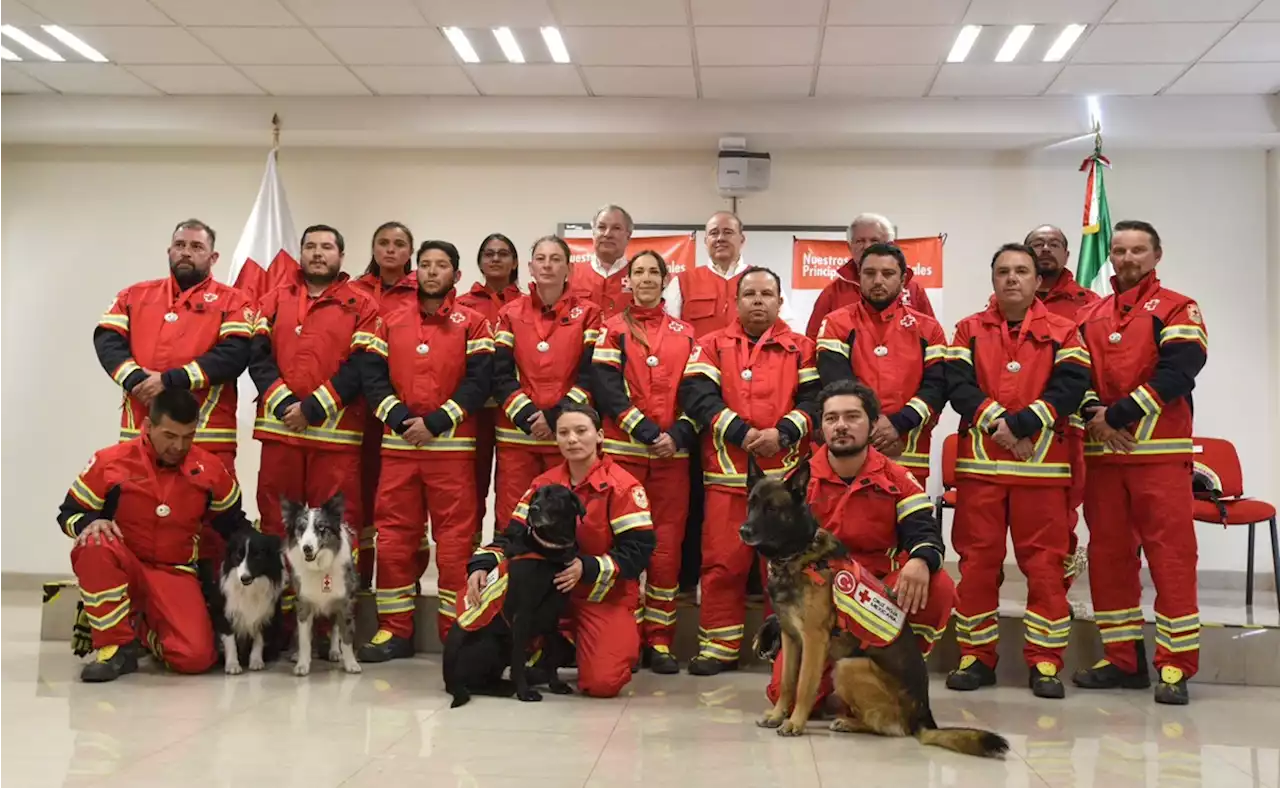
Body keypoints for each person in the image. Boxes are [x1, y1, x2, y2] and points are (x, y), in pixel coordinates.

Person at [942, 243, 1091, 699]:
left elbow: (1071, 386)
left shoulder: (1066, 331)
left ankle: (1045, 663)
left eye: (1021, 271)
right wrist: (999, 425)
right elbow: (957, 386)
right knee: (978, 566)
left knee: (1046, 568)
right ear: (993, 279)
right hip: (982, 471)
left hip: (1042, 473)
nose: (1012, 278)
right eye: (1003, 271)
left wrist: (1023, 424)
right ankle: (975, 657)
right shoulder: (967, 329)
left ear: (1037, 280)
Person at [1071, 220, 1207, 706]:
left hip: (1160, 458)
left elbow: (1180, 370)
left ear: (1157, 255)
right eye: (1120, 250)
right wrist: (1094, 415)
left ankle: (1175, 667)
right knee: (1108, 561)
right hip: (1104, 458)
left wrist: (1119, 415)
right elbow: (1076, 372)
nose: (1128, 258)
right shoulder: (1093, 312)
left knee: (1171, 559)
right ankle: (1123, 660)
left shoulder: (1177, 307)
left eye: (1138, 250)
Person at [764, 380, 955, 705]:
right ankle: (839, 679)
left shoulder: (896, 478)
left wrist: (920, 560)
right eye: (831, 418)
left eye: (852, 417)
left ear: (872, 423)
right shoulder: (799, 482)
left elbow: (924, 531)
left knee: (938, 584)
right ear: (821, 428)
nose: (841, 426)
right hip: (817, 601)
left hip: (874, 596)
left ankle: (899, 673)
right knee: (791, 699)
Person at [357, 240, 495, 660]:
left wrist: (436, 422)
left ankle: (456, 631)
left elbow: (479, 382)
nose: (433, 272)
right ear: (417, 273)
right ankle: (394, 631)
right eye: (426, 265)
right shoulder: (388, 320)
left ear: (456, 274)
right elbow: (372, 378)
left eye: (442, 266)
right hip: (399, 450)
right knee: (395, 540)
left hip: (452, 451)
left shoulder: (474, 323)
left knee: (454, 545)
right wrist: (400, 419)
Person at [678, 266, 820, 675]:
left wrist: (784, 432)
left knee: (788, 569)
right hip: (727, 476)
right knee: (723, 563)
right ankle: (718, 648)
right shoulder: (710, 344)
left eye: (767, 294)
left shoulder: (802, 347)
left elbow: (814, 399)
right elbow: (697, 396)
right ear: (735, 301)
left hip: (784, 483)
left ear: (779, 301)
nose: (758, 301)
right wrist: (741, 433)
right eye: (750, 294)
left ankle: (786, 650)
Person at [58, 389, 252, 682]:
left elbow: (232, 523)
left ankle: (139, 628)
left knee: (195, 658)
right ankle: (114, 648)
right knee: (94, 542)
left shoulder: (211, 470)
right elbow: (69, 512)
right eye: (170, 436)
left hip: (175, 572)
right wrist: (88, 523)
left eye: (188, 436)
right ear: (147, 427)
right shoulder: (110, 462)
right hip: (126, 563)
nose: (179, 446)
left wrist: (264, 549)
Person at [464, 403, 656, 698]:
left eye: (581, 431)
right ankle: (549, 650)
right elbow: (513, 535)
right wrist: (480, 565)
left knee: (603, 684)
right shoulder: (544, 484)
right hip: (547, 594)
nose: (572, 439)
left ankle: (577, 645)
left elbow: (639, 550)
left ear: (600, 436)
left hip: (599, 594)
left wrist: (586, 567)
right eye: (563, 432)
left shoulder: (622, 487)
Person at [94, 219, 253, 566]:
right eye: (180, 245)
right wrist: (137, 379)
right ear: (169, 251)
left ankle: (208, 610)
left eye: (197, 247)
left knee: (212, 528)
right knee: (135, 518)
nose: (186, 252)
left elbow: (234, 354)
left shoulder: (235, 301)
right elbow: (107, 340)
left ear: (213, 257)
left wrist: (169, 381)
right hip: (140, 435)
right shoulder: (134, 295)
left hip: (208, 436)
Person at [248, 224, 378, 605]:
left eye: (326, 247)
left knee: (333, 533)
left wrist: (313, 408)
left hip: (335, 441)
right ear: (300, 253)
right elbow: (257, 355)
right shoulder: (272, 299)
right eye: (310, 246)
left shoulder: (362, 305)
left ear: (341, 255)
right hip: (280, 436)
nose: (318, 253)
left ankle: (328, 621)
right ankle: (280, 616)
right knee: (276, 526)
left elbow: (362, 365)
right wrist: (283, 401)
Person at [591, 250, 698, 674]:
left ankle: (660, 641)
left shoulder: (688, 334)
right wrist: (648, 432)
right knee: (626, 550)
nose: (647, 279)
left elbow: (697, 390)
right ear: (628, 281)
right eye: (639, 272)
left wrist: (679, 434)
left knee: (667, 554)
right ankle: (629, 638)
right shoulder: (611, 330)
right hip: (624, 459)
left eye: (655, 272)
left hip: (673, 461)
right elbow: (607, 389)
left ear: (666, 279)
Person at [492, 235, 602, 531]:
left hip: (566, 437)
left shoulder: (590, 315)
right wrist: (530, 418)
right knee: (512, 517)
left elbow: (590, 374)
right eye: (541, 259)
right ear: (530, 267)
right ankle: (512, 577)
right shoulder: (509, 313)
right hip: (516, 437)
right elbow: (500, 375)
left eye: (556, 259)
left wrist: (555, 419)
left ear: (569, 269)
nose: (548, 265)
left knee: (567, 517)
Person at [815, 243, 948, 483]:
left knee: (909, 519)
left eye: (887, 274)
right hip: (852, 454)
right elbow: (837, 382)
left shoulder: (929, 329)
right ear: (859, 276)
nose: (878, 281)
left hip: (909, 454)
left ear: (903, 278)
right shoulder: (836, 323)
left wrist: (898, 423)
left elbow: (937, 387)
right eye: (869, 273)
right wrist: (872, 426)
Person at [1027, 224, 1101, 590]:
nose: (1045, 249)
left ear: (1068, 255)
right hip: (1017, 430)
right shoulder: (1007, 301)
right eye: (1037, 244)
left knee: (1061, 518)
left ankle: (1058, 595)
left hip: (1071, 425)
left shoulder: (1090, 304)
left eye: (1053, 244)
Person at [350, 221, 419, 587]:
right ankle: (360, 576)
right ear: (373, 248)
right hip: (355, 409)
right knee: (359, 494)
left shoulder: (421, 293)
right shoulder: (351, 291)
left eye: (399, 244)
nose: (390, 250)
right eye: (383, 243)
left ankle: (404, 576)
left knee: (398, 499)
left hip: (401, 411)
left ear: (411, 252)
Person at [457, 233, 523, 543]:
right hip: (473, 412)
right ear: (480, 262)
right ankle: (469, 559)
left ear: (515, 262)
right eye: (489, 254)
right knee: (471, 484)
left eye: (503, 253)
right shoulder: (460, 305)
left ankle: (505, 557)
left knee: (513, 488)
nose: (495, 259)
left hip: (515, 413)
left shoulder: (527, 305)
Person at [805, 212, 935, 338]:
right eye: (860, 241)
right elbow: (812, 341)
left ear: (890, 245)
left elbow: (930, 334)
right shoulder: (832, 293)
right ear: (850, 247)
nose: (866, 246)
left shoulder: (914, 290)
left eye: (874, 240)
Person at [567, 204, 633, 318]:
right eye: (601, 227)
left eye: (616, 228)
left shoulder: (639, 275)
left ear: (628, 236)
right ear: (593, 233)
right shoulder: (571, 273)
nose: (607, 234)